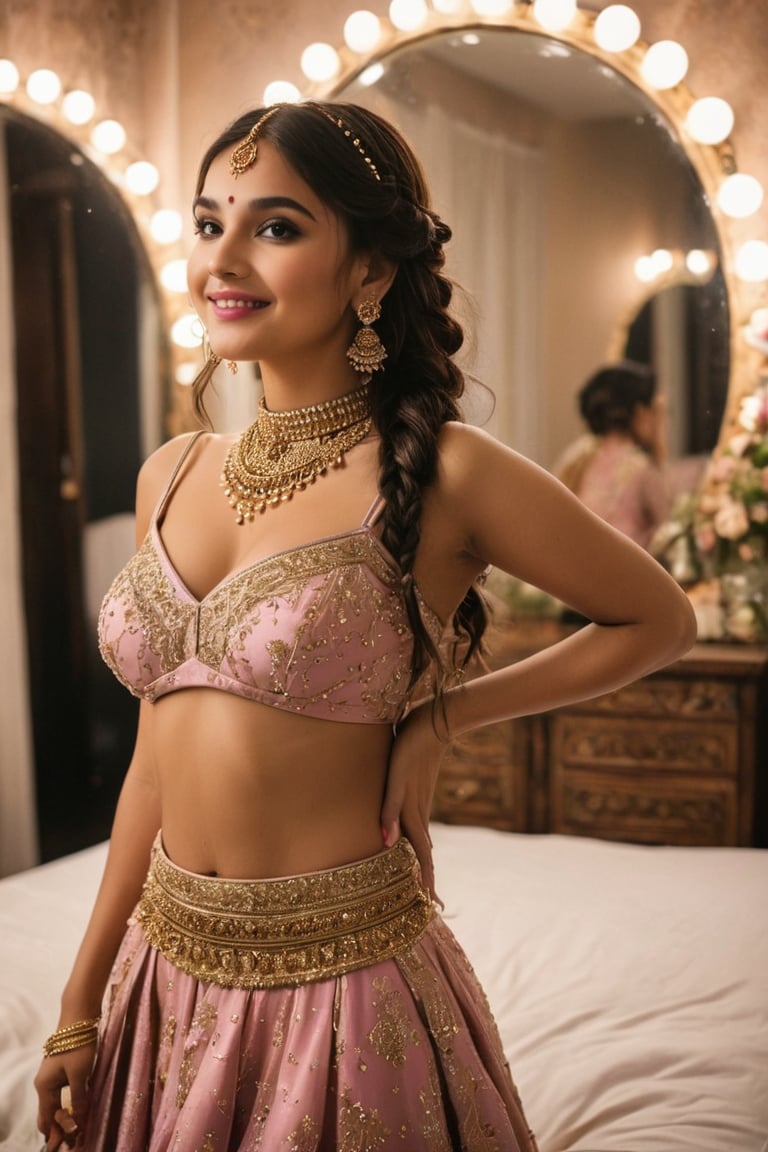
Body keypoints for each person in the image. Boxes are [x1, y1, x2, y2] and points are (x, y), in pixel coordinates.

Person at [34, 101, 696, 1152]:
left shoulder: (447, 472)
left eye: (278, 226)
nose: (226, 258)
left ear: (372, 273)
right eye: (211, 223)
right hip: (162, 977)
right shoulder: (170, 472)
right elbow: (156, 763)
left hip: (338, 1001)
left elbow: (658, 618)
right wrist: (82, 997)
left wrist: (442, 719)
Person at [553, 360, 670, 549]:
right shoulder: (641, 468)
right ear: (641, 412)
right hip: (625, 573)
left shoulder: (578, 462)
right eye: (654, 411)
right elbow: (668, 531)